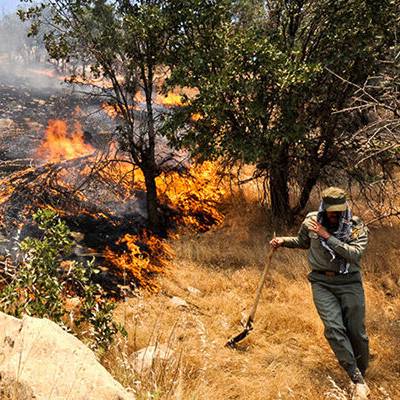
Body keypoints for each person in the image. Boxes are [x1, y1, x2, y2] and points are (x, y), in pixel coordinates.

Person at [270, 187, 370, 400]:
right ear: (324, 207)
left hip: (349, 282)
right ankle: (356, 380)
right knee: (334, 328)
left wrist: (327, 236)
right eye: (332, 212)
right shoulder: (311, 221)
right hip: (321, 282)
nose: (336, 216)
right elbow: (303, 242)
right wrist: (283, 241)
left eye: (339, 212)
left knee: (356, 332)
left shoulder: (355, 225)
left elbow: (354, 254)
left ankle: (361, 371)